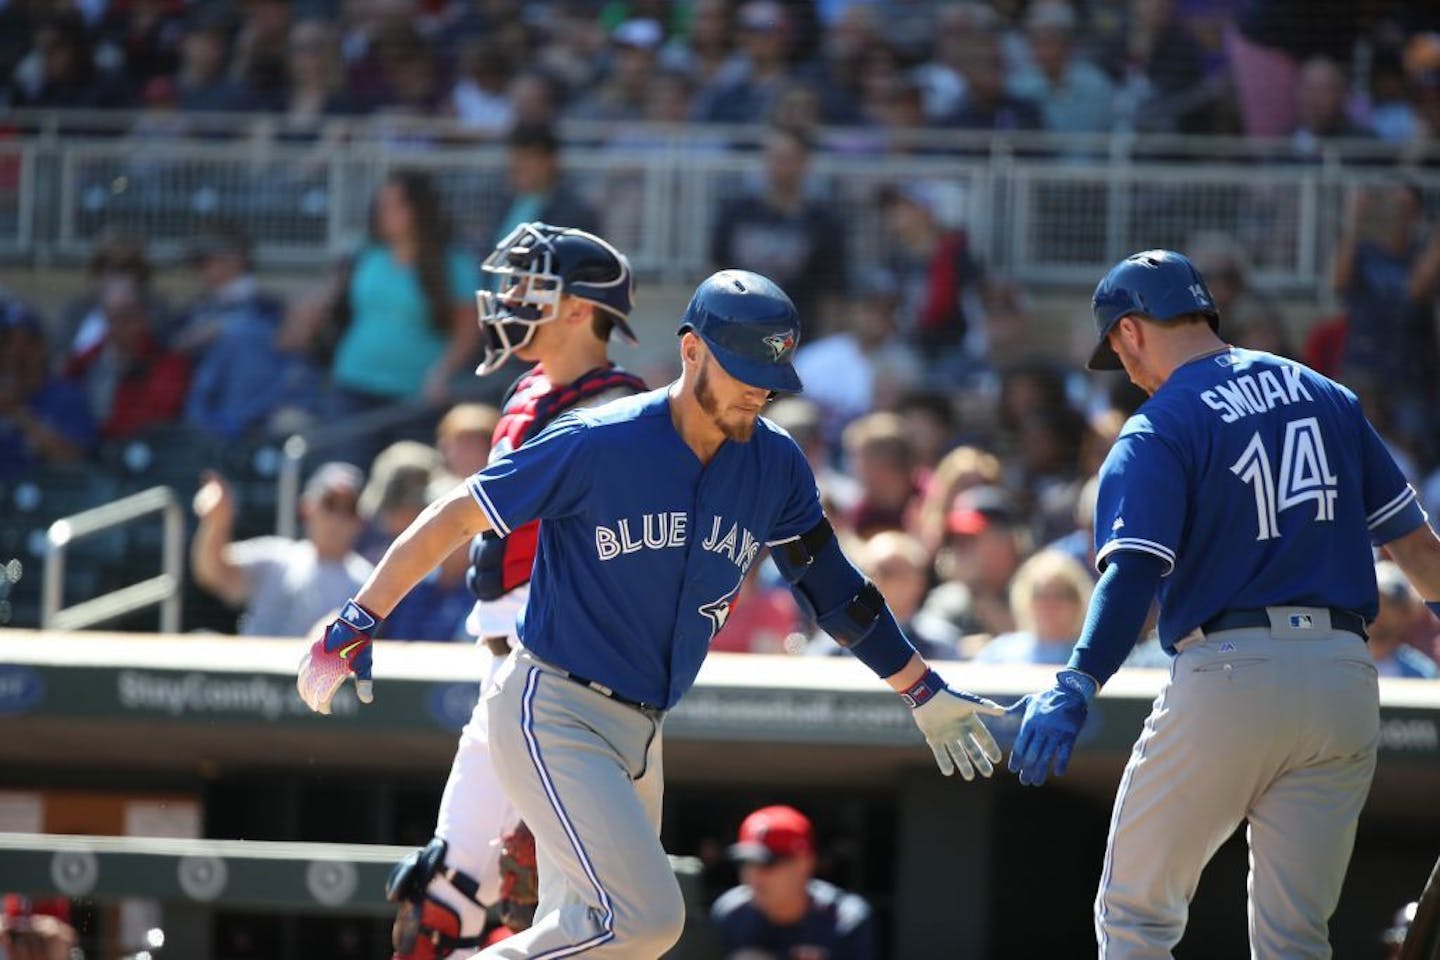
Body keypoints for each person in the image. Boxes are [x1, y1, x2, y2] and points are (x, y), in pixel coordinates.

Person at [298, 269, 1005, 957]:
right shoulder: (600, 438)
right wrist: (357, 619)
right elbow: (458, 514)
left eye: (770, 377)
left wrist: (918, 686)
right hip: (554, 708)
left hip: (642, 730)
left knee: (604, 944)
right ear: (691, 348)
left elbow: (833, 587)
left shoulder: (775, 463)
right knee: (644, 919)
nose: (756, 390)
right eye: (739, 369)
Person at [1006, 249, 1440, 958]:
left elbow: (1133, 574)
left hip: (1233, 674)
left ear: (1131, 330)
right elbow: (1421, 554)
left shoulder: (1159, 426)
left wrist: (1079, 678)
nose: (1128, 373)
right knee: (1295, 938)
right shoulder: (1325, 396)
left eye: (1118, 351)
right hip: (1344, 679)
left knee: (1135, 917)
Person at [384, 223, 648, 959]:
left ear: (578, 309)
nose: (509, 299)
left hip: (564, 680)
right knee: (437, 902)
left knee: (533, 896)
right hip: (499, 668)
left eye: (533, 286)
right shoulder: (528, 389)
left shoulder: (623, 413)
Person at [192, 462, 372, 638]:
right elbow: (213, 573)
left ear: (361, 520)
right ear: (307, 507)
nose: (337, 519)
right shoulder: (275, 557)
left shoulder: (368, 581)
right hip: (252, 665)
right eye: (329, 504)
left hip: (313, 668)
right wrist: (217, 522)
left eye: (349, 509)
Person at [710, 805, 878, 959]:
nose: (754, 876)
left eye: (768, 863)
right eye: (747, 863)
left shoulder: (845, 918)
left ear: (805, 863)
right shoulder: (729, 914)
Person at [1370, 560, 1440, 679]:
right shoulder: (1338, 658)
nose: (1381, 611)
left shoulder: (1421, 673)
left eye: (1390, 603)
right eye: (1374, 602)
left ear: (1405, 612)